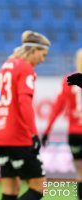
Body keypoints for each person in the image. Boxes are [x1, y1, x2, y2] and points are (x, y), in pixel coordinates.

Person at [0, 30, 51, 200]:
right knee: (39, 187)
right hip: (18, 136)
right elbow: (24, 103)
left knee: (11, 189)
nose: (43, 59)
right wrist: (33, 133)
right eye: (43, 54)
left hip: (1, 136)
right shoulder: (26, 68)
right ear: (34, 50)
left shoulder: (5, 66)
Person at [42, 48, 82, 200]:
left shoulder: (69, 80)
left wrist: (47, 130)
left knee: (80, 172)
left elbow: (57, 108)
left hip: (75, 133)